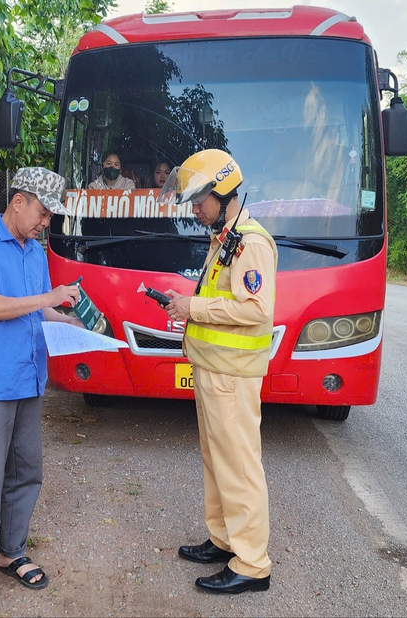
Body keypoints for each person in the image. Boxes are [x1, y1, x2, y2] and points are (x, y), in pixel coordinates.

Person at [0, 167, 85, 612]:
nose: (47, 223)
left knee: (26, 470)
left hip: (28, 377)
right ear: (19, 201)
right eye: (44, 213)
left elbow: (39, 311)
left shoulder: (34, 253)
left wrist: (72, 324)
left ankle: (10, 551)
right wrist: (48, 300)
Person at [157, 149, 278, 594]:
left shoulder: (250, 241)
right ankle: (224, 540)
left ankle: (251, 564)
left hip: (232, 375)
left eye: (199, 200)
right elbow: (219, 301)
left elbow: (257, 308)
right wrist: (188, 305)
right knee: (216, 461)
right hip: (212, 369)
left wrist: (195, 306)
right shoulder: (224, 237)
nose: (194, 209)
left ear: (222, 192)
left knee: (240, 466)